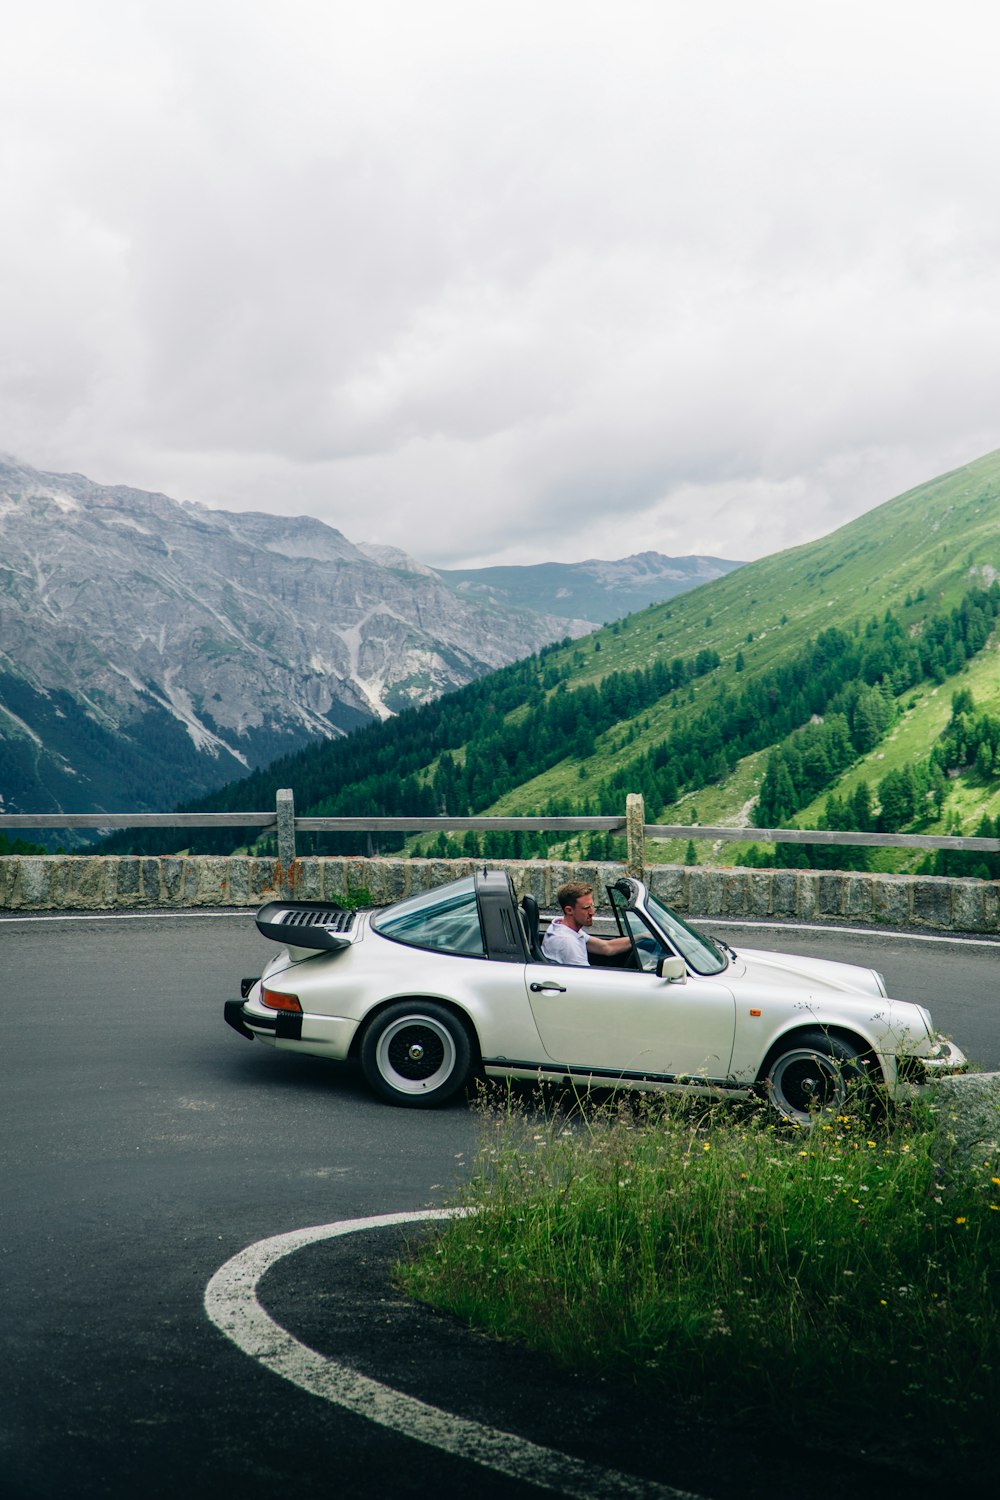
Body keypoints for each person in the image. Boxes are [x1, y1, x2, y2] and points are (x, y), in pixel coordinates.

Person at [540, 881, 633, 967]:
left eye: (592, 906)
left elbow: (606, 946)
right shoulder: (568, 942)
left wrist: (640, 938)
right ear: (569, 910)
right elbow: (586, 979)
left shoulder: (563, 927)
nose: (592, 912)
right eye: (586, 908)